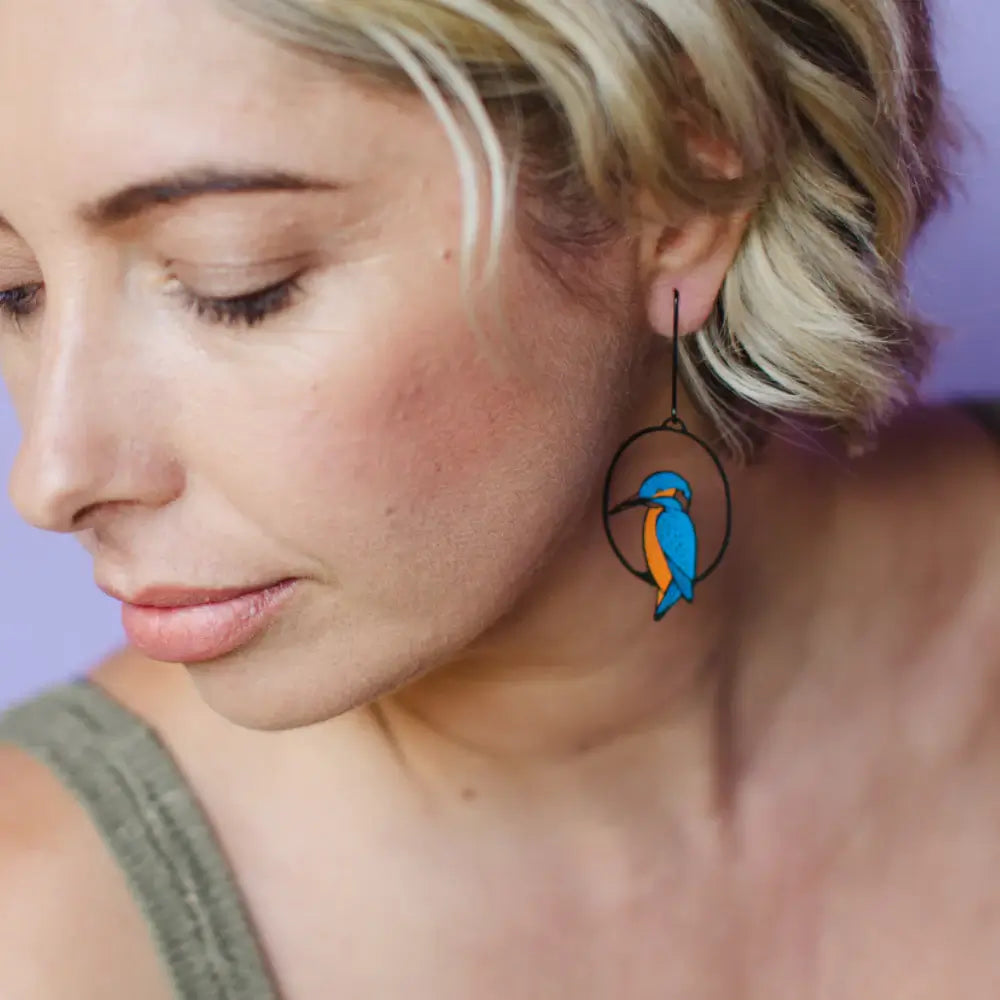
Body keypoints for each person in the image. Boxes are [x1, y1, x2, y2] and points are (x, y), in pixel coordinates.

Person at [0, 0, 997, 996]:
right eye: (13, 291)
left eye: (236, 282)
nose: (50, 477)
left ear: (681, 189)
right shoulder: (45, 934)